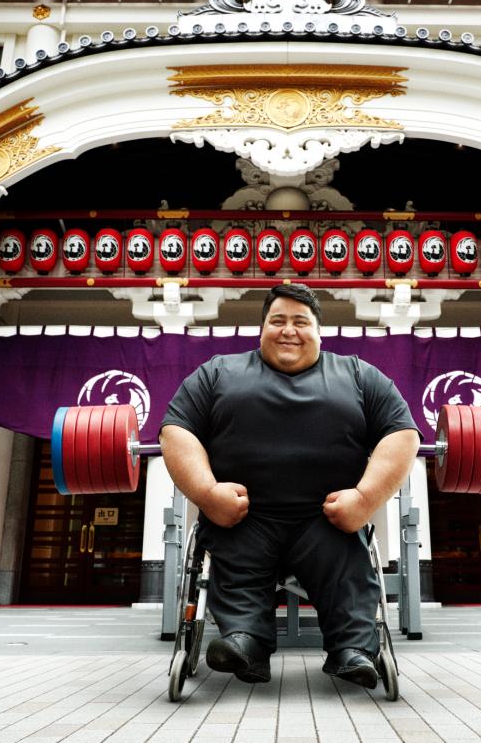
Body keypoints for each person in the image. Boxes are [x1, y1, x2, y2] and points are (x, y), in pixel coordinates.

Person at [159, 283, 421, 688]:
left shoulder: (358, 375)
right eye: (277, 320)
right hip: (245, 516)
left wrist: (365, 499)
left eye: (301, 322)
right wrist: (208, 494)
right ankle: (245, 641)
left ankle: (352, 649)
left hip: (325, 517)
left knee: (346, 564)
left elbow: (402, 434)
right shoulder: (217, 372)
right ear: (261, 327)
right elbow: (176, 430)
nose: (288, 330)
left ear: (319, 331)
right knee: (235, 561)